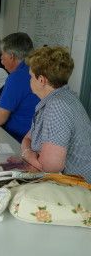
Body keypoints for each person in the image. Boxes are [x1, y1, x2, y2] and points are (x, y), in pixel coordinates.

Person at [21, 46, 91, 183]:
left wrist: (28, 154)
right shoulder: (62, 97)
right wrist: (29, 154)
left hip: (74, 190)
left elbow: (50, 166)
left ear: (41, 80)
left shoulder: (57, 106)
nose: (29, 81)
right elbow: (27, 139)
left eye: (31, 76)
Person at [0, 32, 40, 142]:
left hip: (18, 141)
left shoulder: (17, 77)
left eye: (2, 54)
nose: (1, 58)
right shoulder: (39, 69)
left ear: (11, 56)